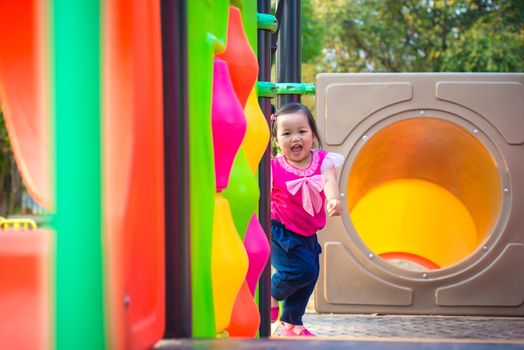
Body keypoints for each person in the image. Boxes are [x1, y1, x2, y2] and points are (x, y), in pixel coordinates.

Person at [269, 102, 343, 336]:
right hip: (281, 229)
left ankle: (291, 324)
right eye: (286, 133)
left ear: (312, 134)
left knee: (310, 277)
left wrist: (333, 199)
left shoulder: (323, 161)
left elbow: (330, 181)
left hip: (307, 232)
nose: (295, 138)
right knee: (302, 271)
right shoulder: (273, 167)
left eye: (302, 131)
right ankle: (268, 293)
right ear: (276, 140)